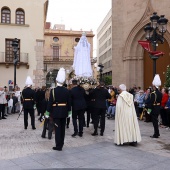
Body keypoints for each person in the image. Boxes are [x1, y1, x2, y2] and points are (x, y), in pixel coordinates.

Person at [46, 68, 71, 151]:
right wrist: (69, 111)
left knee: (57, 129)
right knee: (63, 129)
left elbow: (50, 103)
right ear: (63, 81)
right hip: (64, 112)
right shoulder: (67, 91)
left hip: (56, 112)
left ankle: (58, 146)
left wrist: (47, 112)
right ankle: (61, 144)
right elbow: (69, 102)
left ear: (56, 81)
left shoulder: (53, 91)